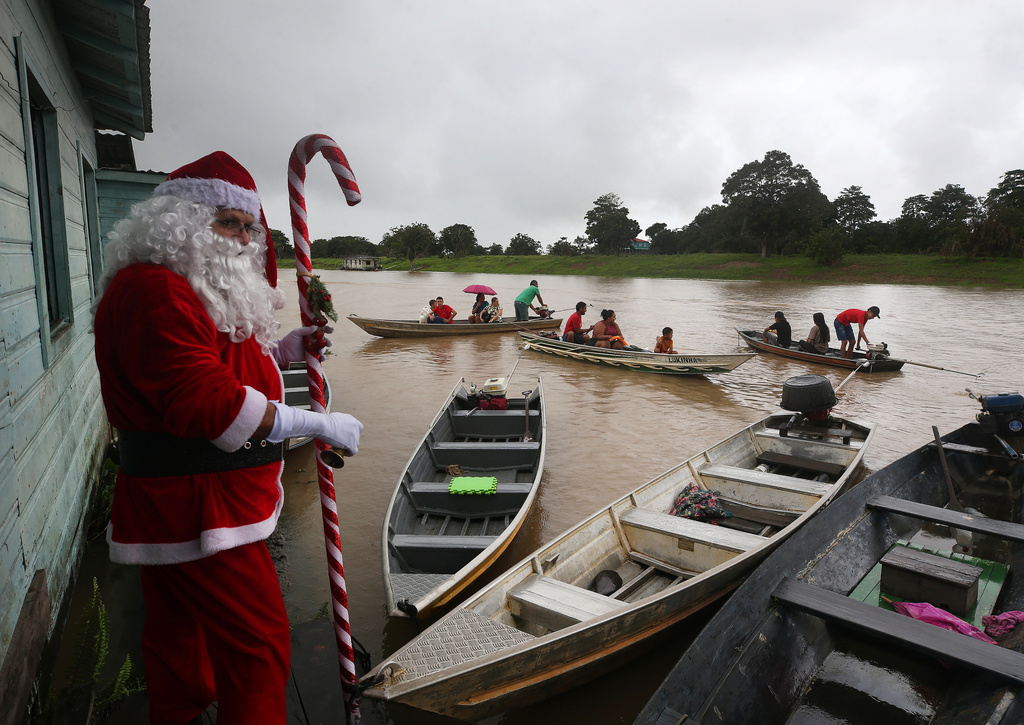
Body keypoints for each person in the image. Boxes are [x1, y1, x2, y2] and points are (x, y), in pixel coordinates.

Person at [92, 151, 363, 725]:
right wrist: (316, 423)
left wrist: (288, 349)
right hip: (197, 507)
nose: (241, 240)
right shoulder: (156, 291)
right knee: (258, 647)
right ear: (181, 223)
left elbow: (224, 357)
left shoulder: (185, 288)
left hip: (191, 501)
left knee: (177, 641)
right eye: (226, 223)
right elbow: (210, 406)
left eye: (248, 227)